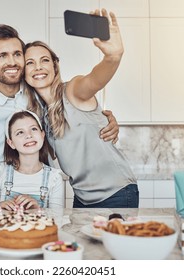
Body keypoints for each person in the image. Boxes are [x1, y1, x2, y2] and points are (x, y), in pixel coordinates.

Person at [0, 24, 119, 210]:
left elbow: (77, 105)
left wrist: (101, 121)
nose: (12, 62)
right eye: (2, 56)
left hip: (41, 203)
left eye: (17, 54)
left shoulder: (39, 92)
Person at [23, 9, 138, 208]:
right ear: (24, 73)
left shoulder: (73, 90)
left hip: (116, 193)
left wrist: (113, 57)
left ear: (55, 66)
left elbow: (94, 79)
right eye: (30, 63)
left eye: (44, 60)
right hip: (82, 198)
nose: (38, 67)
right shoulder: (39, 114)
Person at [0, 110, 64, 210]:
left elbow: (58, 220)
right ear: (11, 143)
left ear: (42, 135)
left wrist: (38, 210)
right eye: (20, 132)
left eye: (33, 129)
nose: (29, 135)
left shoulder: (54, 178)